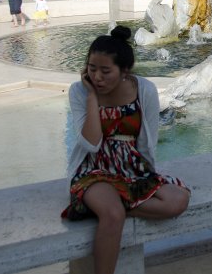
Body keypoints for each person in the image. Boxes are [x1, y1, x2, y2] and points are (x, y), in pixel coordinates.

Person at [62, 26, 190, 273]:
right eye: (92, 69)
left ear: (125, 71)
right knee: (113, 215)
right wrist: (91, 99)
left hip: (132, 169)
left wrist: (148, 174)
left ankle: (95, 206)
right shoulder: (79, 91)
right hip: (93, 170)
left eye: (105, 71)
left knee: (178, 200)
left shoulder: (145, 90)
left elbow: (148, 141)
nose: (97, 77)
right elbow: (90, 143)